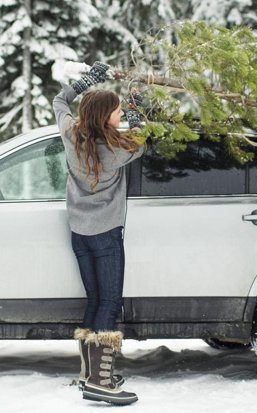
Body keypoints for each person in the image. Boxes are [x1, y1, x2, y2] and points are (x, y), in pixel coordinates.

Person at [53, 62, 144, 406]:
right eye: (118, 111)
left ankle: (88, 374)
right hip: (106, 234)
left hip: (80, 233)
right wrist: (137, 112)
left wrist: (86, 83)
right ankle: (101, 382)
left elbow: (59, 102)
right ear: (107, 117)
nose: (121, 115)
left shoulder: (69, 133)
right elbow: (142, 142)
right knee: (109, 303)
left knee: (95, 301)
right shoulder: (119, 149)